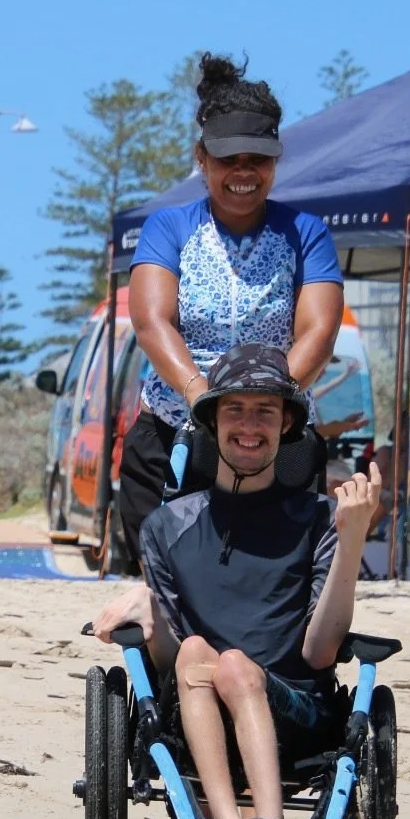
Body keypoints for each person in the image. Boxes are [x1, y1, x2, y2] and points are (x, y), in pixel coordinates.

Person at [92, 344, 381, 819]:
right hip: (196, 706)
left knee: (233, 665)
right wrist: (149, 607)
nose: (250, 425)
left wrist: (352, 536)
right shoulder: (165, 527)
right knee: (200, 653)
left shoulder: (317, 520)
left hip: (295, 709)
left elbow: (320, 652)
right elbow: (171, 664)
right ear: (212, 423)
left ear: (287, 425)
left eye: (266, 411)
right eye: (235, 410)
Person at [116, 52, 345, 573]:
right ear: (202, 157)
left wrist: (263, 407)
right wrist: (203, 400)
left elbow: (319, 329)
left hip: (270, 438)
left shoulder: (305, 232)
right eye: (228, 159)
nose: (243, 172)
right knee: (162, 588)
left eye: (258, 160)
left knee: (265, 584)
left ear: (276, 161)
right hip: (174, 431)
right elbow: (153, 322)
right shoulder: (168, 228)